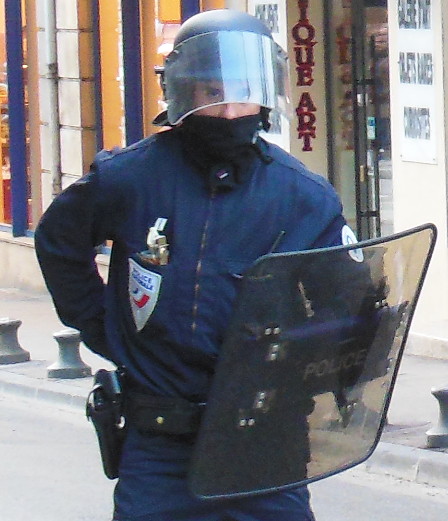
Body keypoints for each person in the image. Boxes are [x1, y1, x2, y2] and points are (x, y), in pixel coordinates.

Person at [35, 8, 357, 521]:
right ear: (185, 94)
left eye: (242, 94)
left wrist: (310, 366)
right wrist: (102, 327)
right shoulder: (130, 177)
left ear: (266, 95)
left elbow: (347, 304)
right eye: (213, 94)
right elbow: (59, 243)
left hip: (262, 442)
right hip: (160, 443)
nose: (230, 113)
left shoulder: (304, 197)